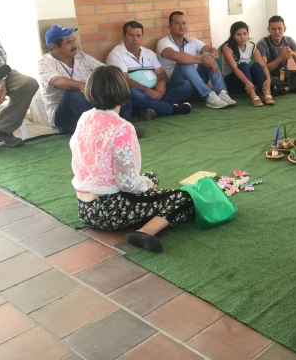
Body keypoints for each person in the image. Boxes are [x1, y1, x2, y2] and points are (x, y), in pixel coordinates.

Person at [70, 65, 194, 253]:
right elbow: (127, 183)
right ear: (122, 89)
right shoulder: (122, 127)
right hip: (110, 210)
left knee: (150, 177)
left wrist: (146, 184)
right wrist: (146, 187)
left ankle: (146, 209)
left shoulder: (85, 117)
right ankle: (144, 232)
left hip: (84, 208)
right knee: (184, 197)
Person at [38, 25, 133, 135]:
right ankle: (104, 129)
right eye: (68, 42)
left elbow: (104, 70)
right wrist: (84, 86)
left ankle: (124, 126)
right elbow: (56, 81)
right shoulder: (45, 62)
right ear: (54, 46)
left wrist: (114, 80)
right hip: (65, 117)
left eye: (73, 40)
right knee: (72, 94)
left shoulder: (81, 57)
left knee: (116, 83)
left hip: (92, 105)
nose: (74, 45)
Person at [106, 21, 192, 120]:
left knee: (185, 85)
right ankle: (172, 109)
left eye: (138, 35)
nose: (135, 39)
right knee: (133, 93)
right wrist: (147, 90)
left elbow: (161, 74)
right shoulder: (116, 54)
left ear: (142, 37)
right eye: (131, 35)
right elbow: (124, 80)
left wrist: (161, 86)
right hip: (137, 92)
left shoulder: (148, 53)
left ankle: (150, 108)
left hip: (156, 91)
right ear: (124, 36)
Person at [156, 11, 235, 108]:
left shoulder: (192, 40)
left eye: (184, 23)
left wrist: (211, 57)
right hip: (178, 84)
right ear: (170, 26)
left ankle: (222, 91)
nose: (182, 26)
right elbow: (176, 56)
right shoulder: (163, 42)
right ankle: (208, 95)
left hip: (196, 81)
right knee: (184, 61)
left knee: (207, 54)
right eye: (177, 23)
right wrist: (202, 60)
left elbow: (214, 51)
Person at [256, 15, 296, 96]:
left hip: (285, 74)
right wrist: (281, 58)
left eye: (279, 28)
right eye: (273, 29)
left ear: (284, 28)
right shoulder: (262, 44)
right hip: (271, 76)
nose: (277, 32)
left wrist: (292, 53)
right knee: (265, 78)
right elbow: (264, 70)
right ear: (269, 29)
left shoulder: (289, 40)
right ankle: (292, 86)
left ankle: (285, 88)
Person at [221, 21, 274, 107]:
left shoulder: (252, 46)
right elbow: (234, 68)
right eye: (239, 35)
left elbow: (263, 65)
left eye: (245, 33)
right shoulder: (227, 47)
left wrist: (268, 79)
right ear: (233, 36)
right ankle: (253, 95)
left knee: (256, 65)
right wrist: (247, 82)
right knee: (243, 65)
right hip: (231, 82)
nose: (243, 37)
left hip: (246, 82)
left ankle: (266, 92)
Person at [0, 38, 39, 147]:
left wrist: (2, 82)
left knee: (28, 83)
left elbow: (0, 56)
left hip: (0, 74)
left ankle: (2, 130)